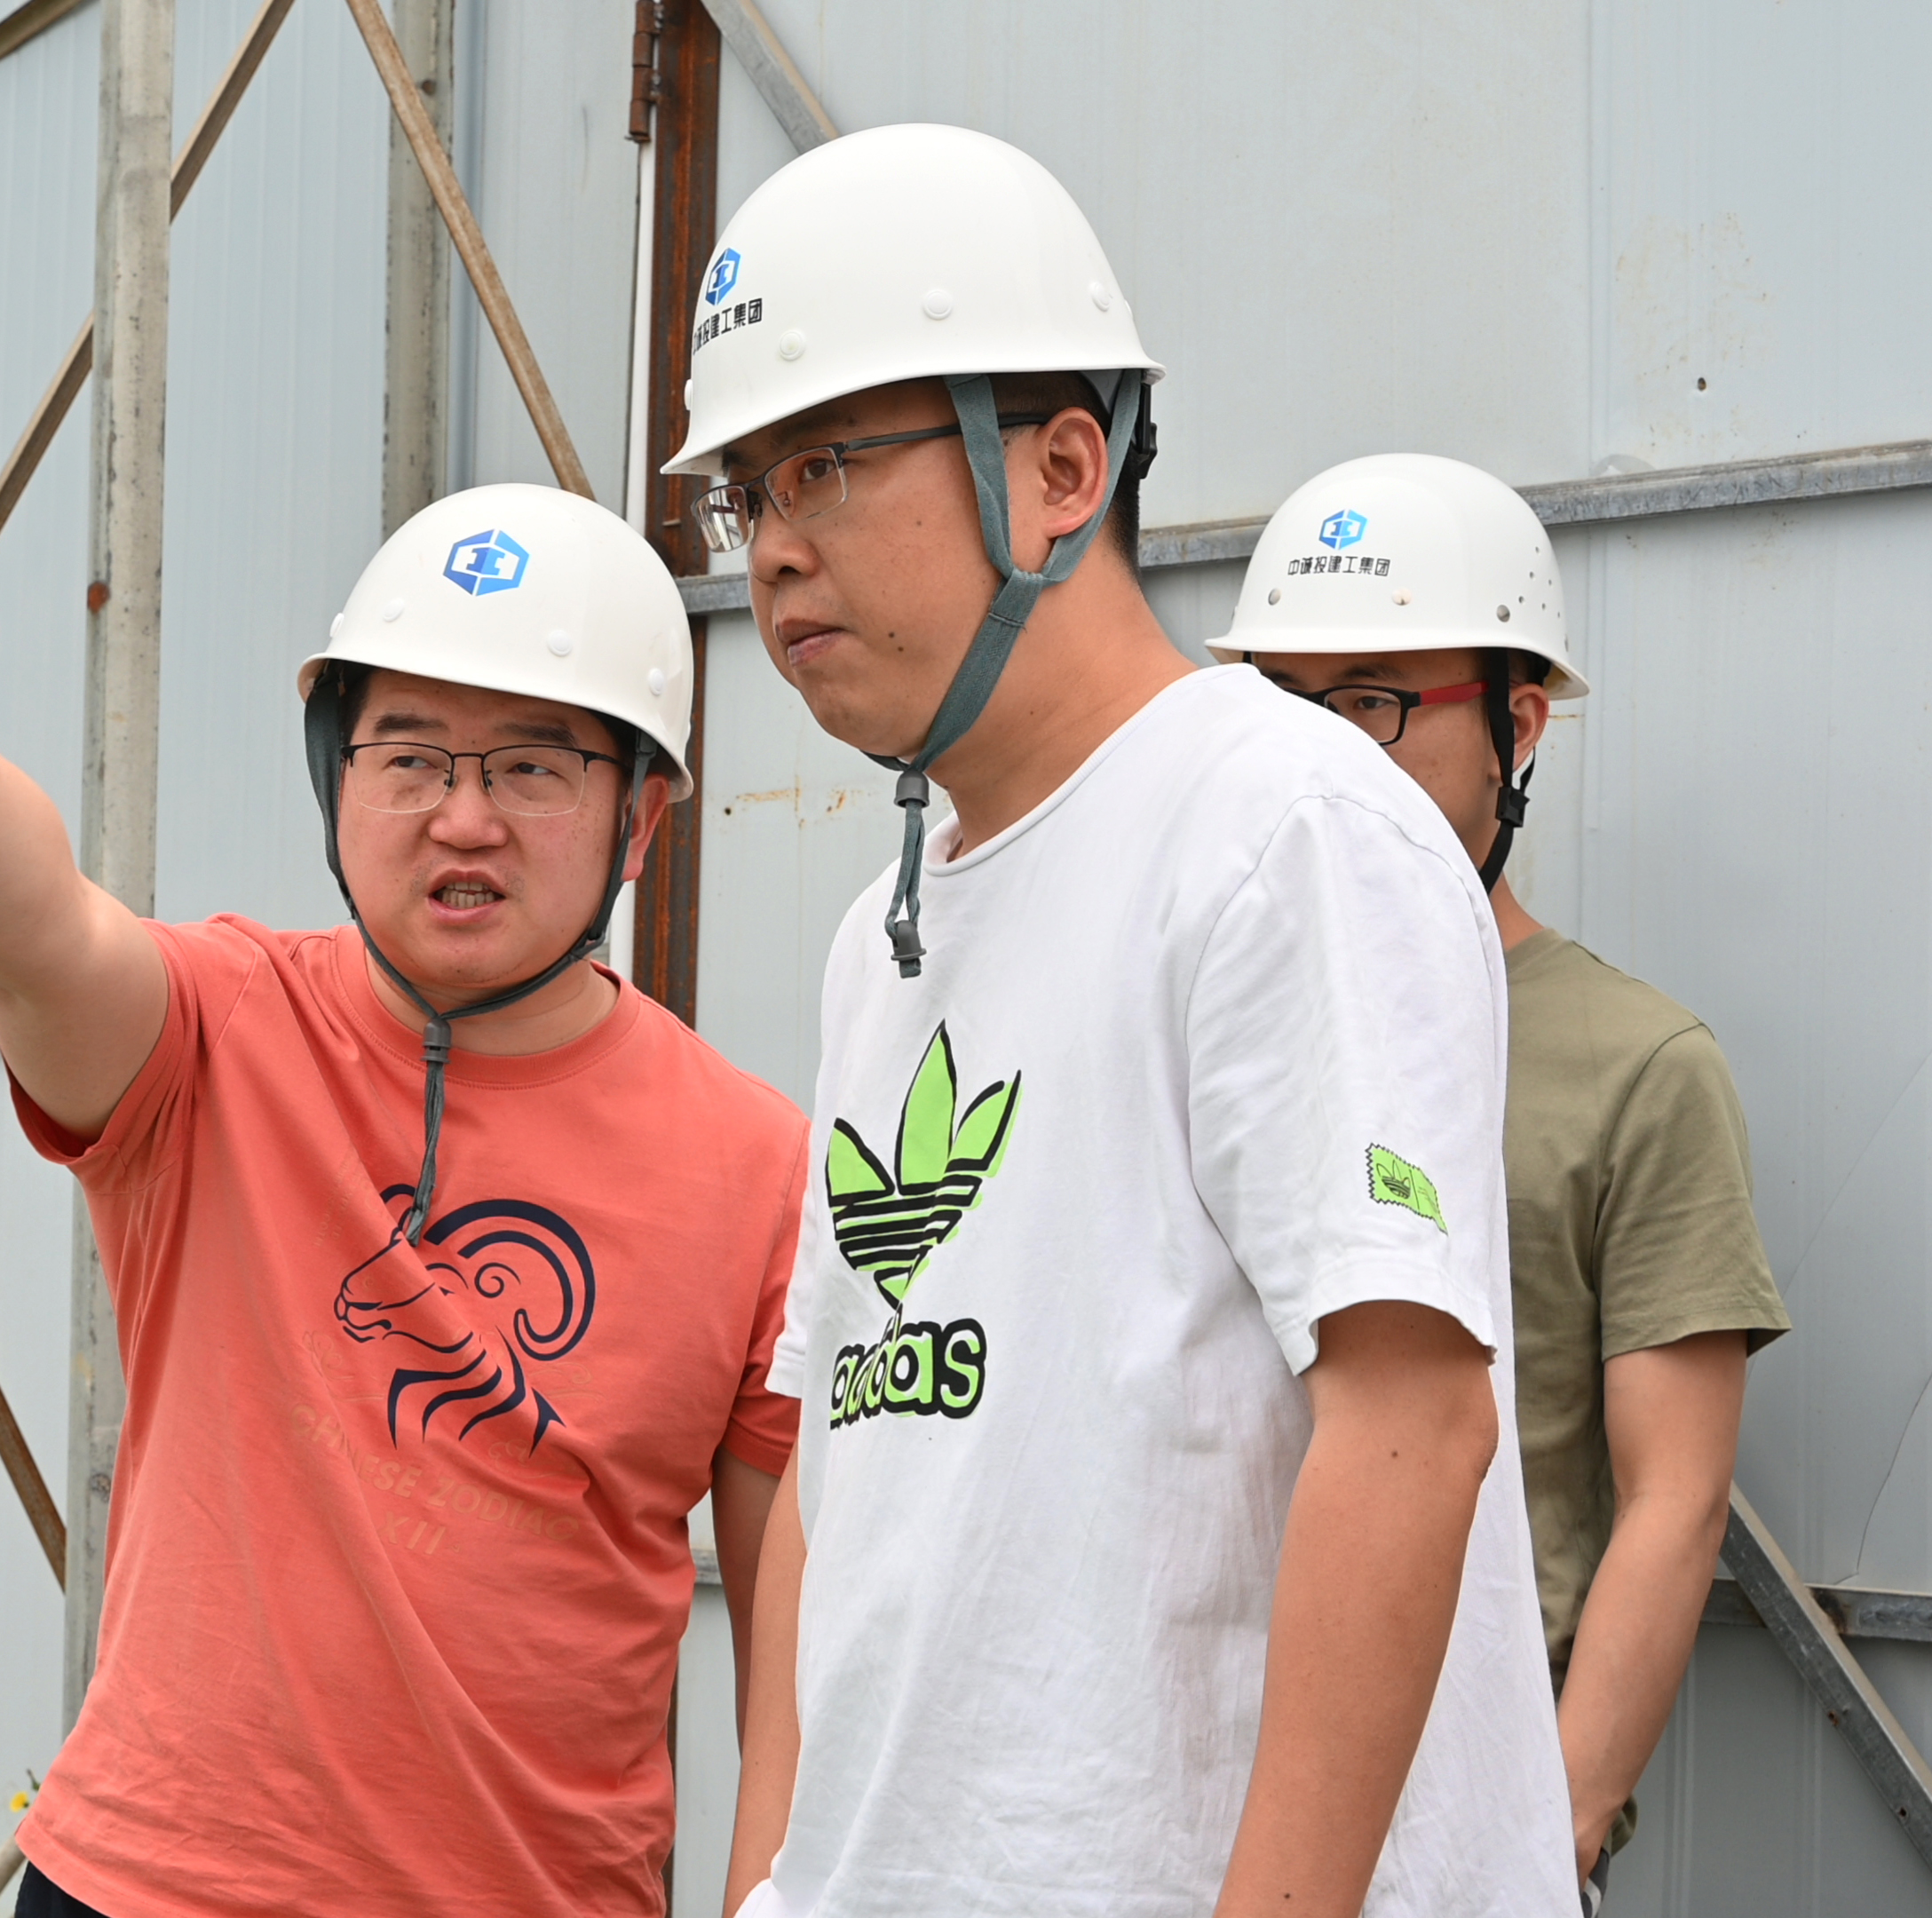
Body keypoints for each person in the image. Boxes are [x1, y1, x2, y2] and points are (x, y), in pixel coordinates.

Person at [670, 125, 1580, 1914]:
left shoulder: (1281, 827)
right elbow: (843, 1479)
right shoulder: (882, 936)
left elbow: (1412, 1430)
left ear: (1060, 470)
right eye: (745, 496)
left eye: (823, 467)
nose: (770, 551)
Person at [0, 475, 807, 1917]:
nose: (463, 819)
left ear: (642, 816)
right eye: (407, 759)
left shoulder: (759, 1165)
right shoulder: (216, 1032)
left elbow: (799, 1669)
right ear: (331, 778)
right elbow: (36, 927)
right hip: (146, 1887)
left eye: (534, 768)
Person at [1222, 452, 1792, 1914]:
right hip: (1194, 1794)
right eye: (1282, 703)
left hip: (1462, 1824)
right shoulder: (1211, 1023)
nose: (1321, 756)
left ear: (1516, 728)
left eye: (1372, 701)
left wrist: (1552, 1834)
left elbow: (1676, 1496)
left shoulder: (1636, 1065)